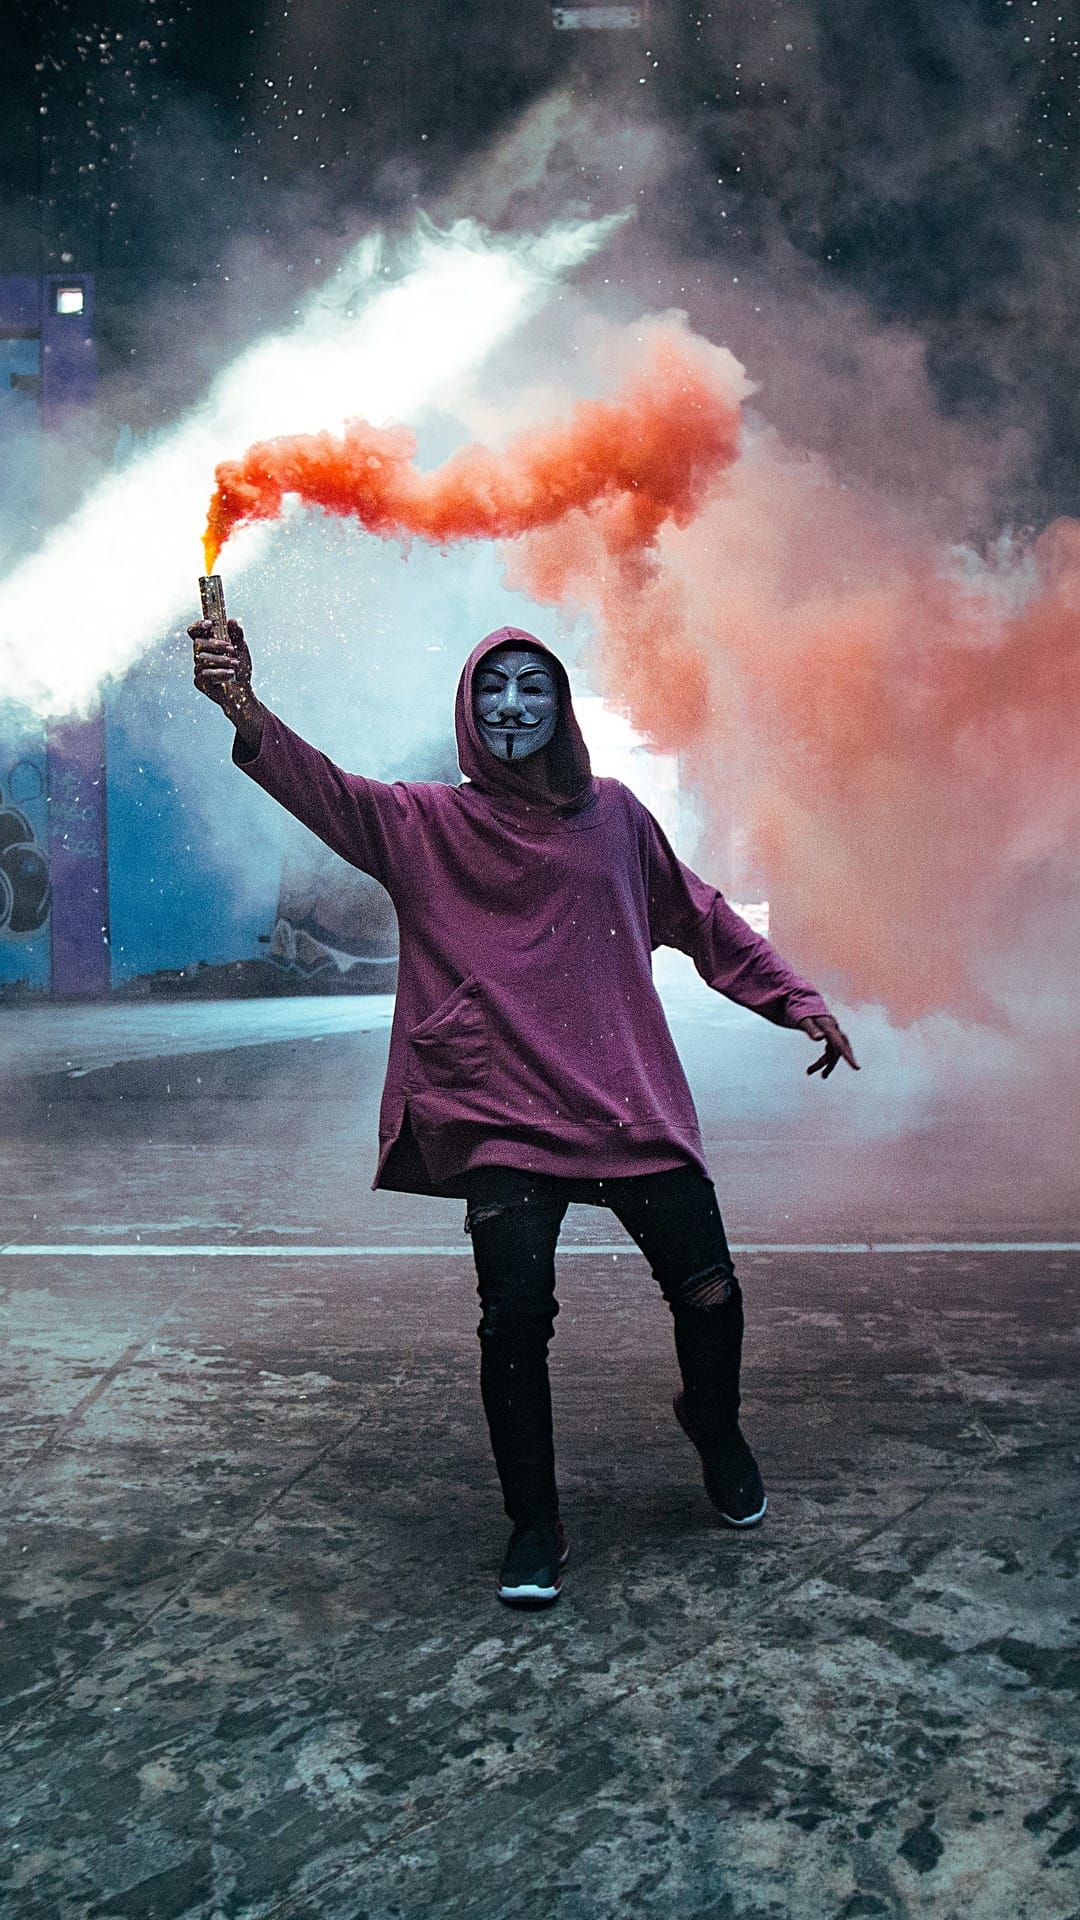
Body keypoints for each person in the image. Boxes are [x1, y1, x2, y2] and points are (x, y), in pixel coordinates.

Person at [191, 611, 858, 1607]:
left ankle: (714, 1430)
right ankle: (534, 1526)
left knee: (712, 1295)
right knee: (513, 1321)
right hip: (498, 1108)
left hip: (626, 1097)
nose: (511, 703)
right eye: (492, 687)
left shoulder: (620, 818)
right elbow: (320, 788)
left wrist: (795, 1001)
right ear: (469, 710)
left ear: (560, 708)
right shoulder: (424, 825)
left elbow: (704, 919)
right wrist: (239, 699)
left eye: (531, 686)